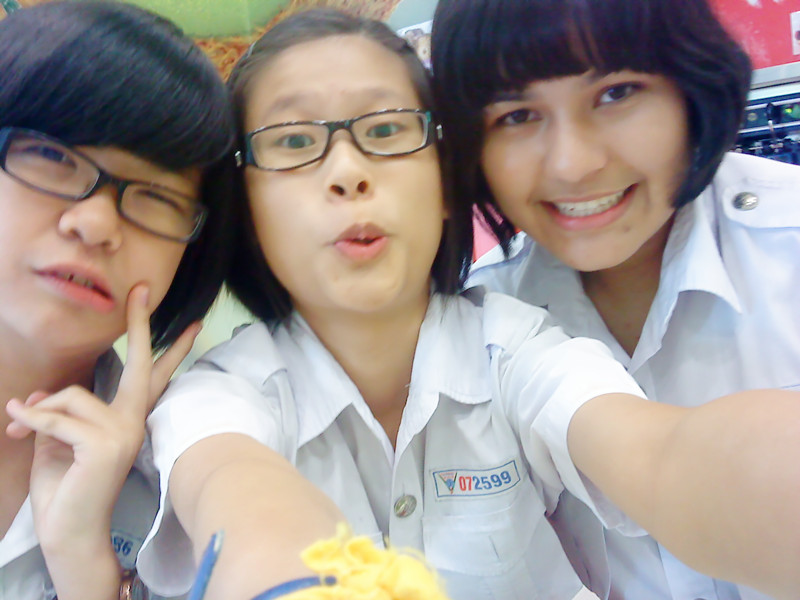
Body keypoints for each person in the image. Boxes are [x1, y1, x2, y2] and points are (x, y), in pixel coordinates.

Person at [137, 9, 800, 600]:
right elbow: (233, 485)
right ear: (246, 207)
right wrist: (289, 572)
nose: (346, 172)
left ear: (445, 179)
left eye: (387, 129)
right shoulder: (216, 394)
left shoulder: (516, 344)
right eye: (292, 141)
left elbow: (660, 455)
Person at [430, 0, 800, 599]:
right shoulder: (478, 325)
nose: (573, 164)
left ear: (690, 84)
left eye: (617, 93)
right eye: (518, 115)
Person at [0, 2, 237, 598]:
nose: (96, 223)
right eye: (53, 156)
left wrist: (85, 568)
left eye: (157, 196)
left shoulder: (179, 487)